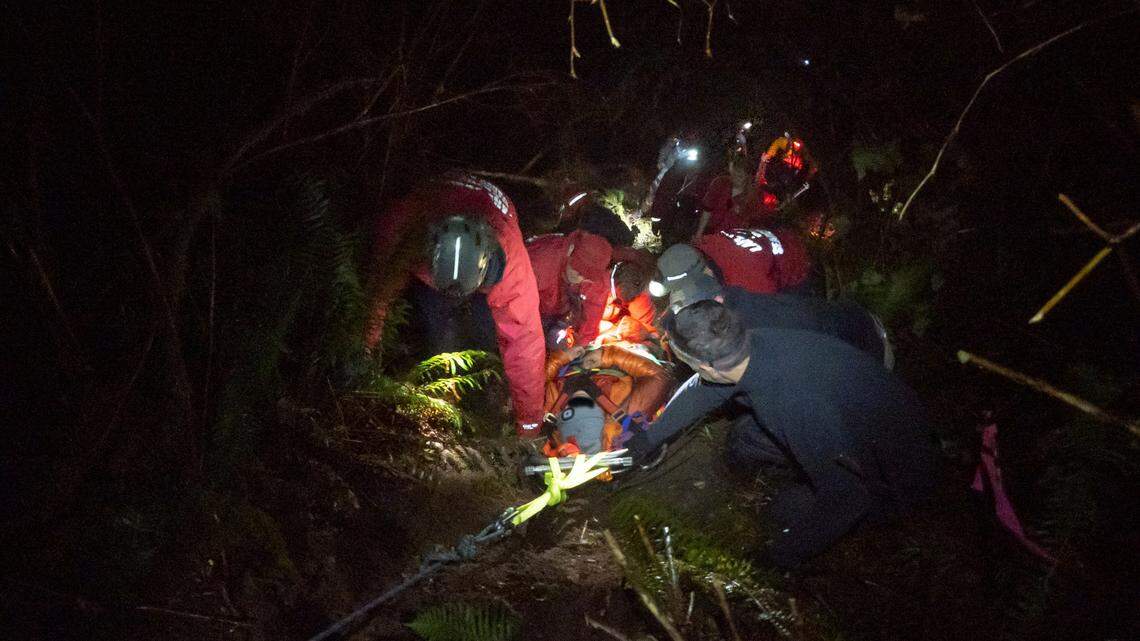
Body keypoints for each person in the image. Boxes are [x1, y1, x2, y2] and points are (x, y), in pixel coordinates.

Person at [625, 301, 938, 569]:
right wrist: (651, 438)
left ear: (707, 365)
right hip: (852, 416)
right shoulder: (751, 344)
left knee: (785, 514)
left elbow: (849, 497)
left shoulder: (794, 403)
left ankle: (871, 524)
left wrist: (779, 556)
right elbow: (703, 389)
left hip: (895, 467)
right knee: (744, 443)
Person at [364, 172, 546, 437]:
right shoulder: (404, 226)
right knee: (437, 327)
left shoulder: (512, 267)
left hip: (485, 266)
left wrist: (529, 426)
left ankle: (484, 387)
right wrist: (364, 351)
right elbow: (377, 292)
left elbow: (525, 343)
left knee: (486, 334)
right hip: (428, 257)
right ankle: (444, 392)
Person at [653, 243, 892, 368]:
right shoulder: (703, 247)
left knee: (796, 324)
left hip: (796, 267)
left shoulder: (752, 288)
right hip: (773, 262)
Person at [541, 343, 675, 457]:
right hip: (619, 363)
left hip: (570, 365)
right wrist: (606, 355)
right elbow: (659, 377)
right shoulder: (626, 419)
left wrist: (561, 359)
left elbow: (530, 386)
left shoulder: (549, 421)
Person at [652, 228, 812, 298]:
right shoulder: (705, 243)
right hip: (778, 241)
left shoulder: (743, 278)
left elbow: (767, 305)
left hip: (795, 264)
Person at [526, 229, 614, 348]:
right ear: (571, 251)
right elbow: (518, 309)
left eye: (586, 276)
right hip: (529, 309)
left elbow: (593, 307)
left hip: (554, 311)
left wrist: (582, 344)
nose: (580, 278)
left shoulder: (596, 273)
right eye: (578, 271)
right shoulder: (540, 263)